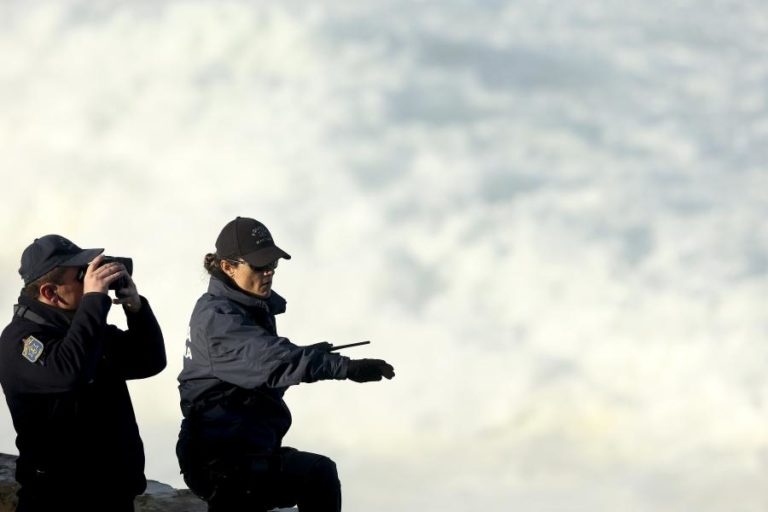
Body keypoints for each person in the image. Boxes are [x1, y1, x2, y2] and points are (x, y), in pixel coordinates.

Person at [177, 216, 395, 512]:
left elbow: (268, 364)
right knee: (315, 475)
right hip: (220, 462)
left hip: (245, 450)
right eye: (259, 266)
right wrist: (346, 368)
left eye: (273, 265)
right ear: (228, 267)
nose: (268, 272)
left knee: (319, 473)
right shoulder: (219, 318)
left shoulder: (247, 305)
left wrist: (311, 355)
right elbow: (275, 362)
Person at [0, 235, 167, 512]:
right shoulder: (20, 341)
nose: (93, 278)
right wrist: (94, 301)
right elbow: (68, 372)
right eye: (82, 275)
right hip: (59, 499)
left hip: (113, 495)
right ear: (50, 293)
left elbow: (148, 361)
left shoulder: (85, 329)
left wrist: (135, 308)